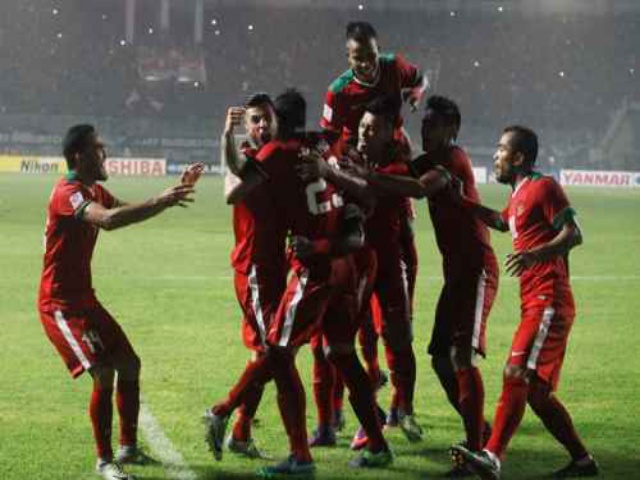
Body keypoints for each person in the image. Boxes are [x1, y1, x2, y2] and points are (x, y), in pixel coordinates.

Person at [340, 96, 499, 476]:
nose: (426, 130)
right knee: (442, 360)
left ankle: (476, 449)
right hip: (455, 274)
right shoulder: (428, 158)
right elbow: (400, 170)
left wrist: (368, 175)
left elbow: (417, 188)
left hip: (476, 268)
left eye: (434, 125)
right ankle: (481, 432)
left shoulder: (452, 160)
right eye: (424, 124)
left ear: (452, 130)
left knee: (460, 358)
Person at [38, 124, 200, 480]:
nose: (105, 154)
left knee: (129, 363)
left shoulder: (93, 189)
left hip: (84, 299)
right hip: (60, 305)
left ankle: (129, 447)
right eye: (99, 148)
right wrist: (160, 200)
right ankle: (105, 461)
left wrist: (170, 197)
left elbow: (125, 210)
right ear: (79, 156)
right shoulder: (68, 193)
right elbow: (108, 220)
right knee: (103, 371)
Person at [453, 126, 598, 479]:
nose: (496, 155)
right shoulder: (519, 194)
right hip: (535, 300)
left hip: (549, 298)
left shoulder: (543, 187)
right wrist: (463, 202)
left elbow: (574, 233)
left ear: (518, 157)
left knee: (515, 372)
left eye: (502, 149)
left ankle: (492, 456)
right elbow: (502, 221)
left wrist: (536, 255)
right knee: (537, 394)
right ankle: (583, 461)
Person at [302, 95, 425, 448]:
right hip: (351, 264)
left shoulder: (398, 166)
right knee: (334, 344)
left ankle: (401, 407)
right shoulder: (349, 156)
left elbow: (372, 191)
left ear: (390, 132)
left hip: (386, 264)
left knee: (396, 338)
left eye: (372, 128)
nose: (364, 133)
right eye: (362, 127)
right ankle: (333, 419)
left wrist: (333, 173)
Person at [213, 93, 286, 459]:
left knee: (265, 352)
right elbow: (230, 188)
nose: (262, 125)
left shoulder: (280, 156)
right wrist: (226, 135)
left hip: (277, 265)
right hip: (254, 267)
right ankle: (222, 412)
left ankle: (240, 432)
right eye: (255, 120)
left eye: (266, 118)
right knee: (276, 349)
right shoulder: (246, 157)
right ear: (246, 127)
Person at [320, 21, 428, 150]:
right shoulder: (337, 91)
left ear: (378, 50)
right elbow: (329, 136)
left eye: (371, 55)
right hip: (358, 151)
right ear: (348, 57)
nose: (366, 64)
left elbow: (421, 79)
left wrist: (417, 92)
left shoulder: (393, 66)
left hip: (394, 145)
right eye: (358, 58)